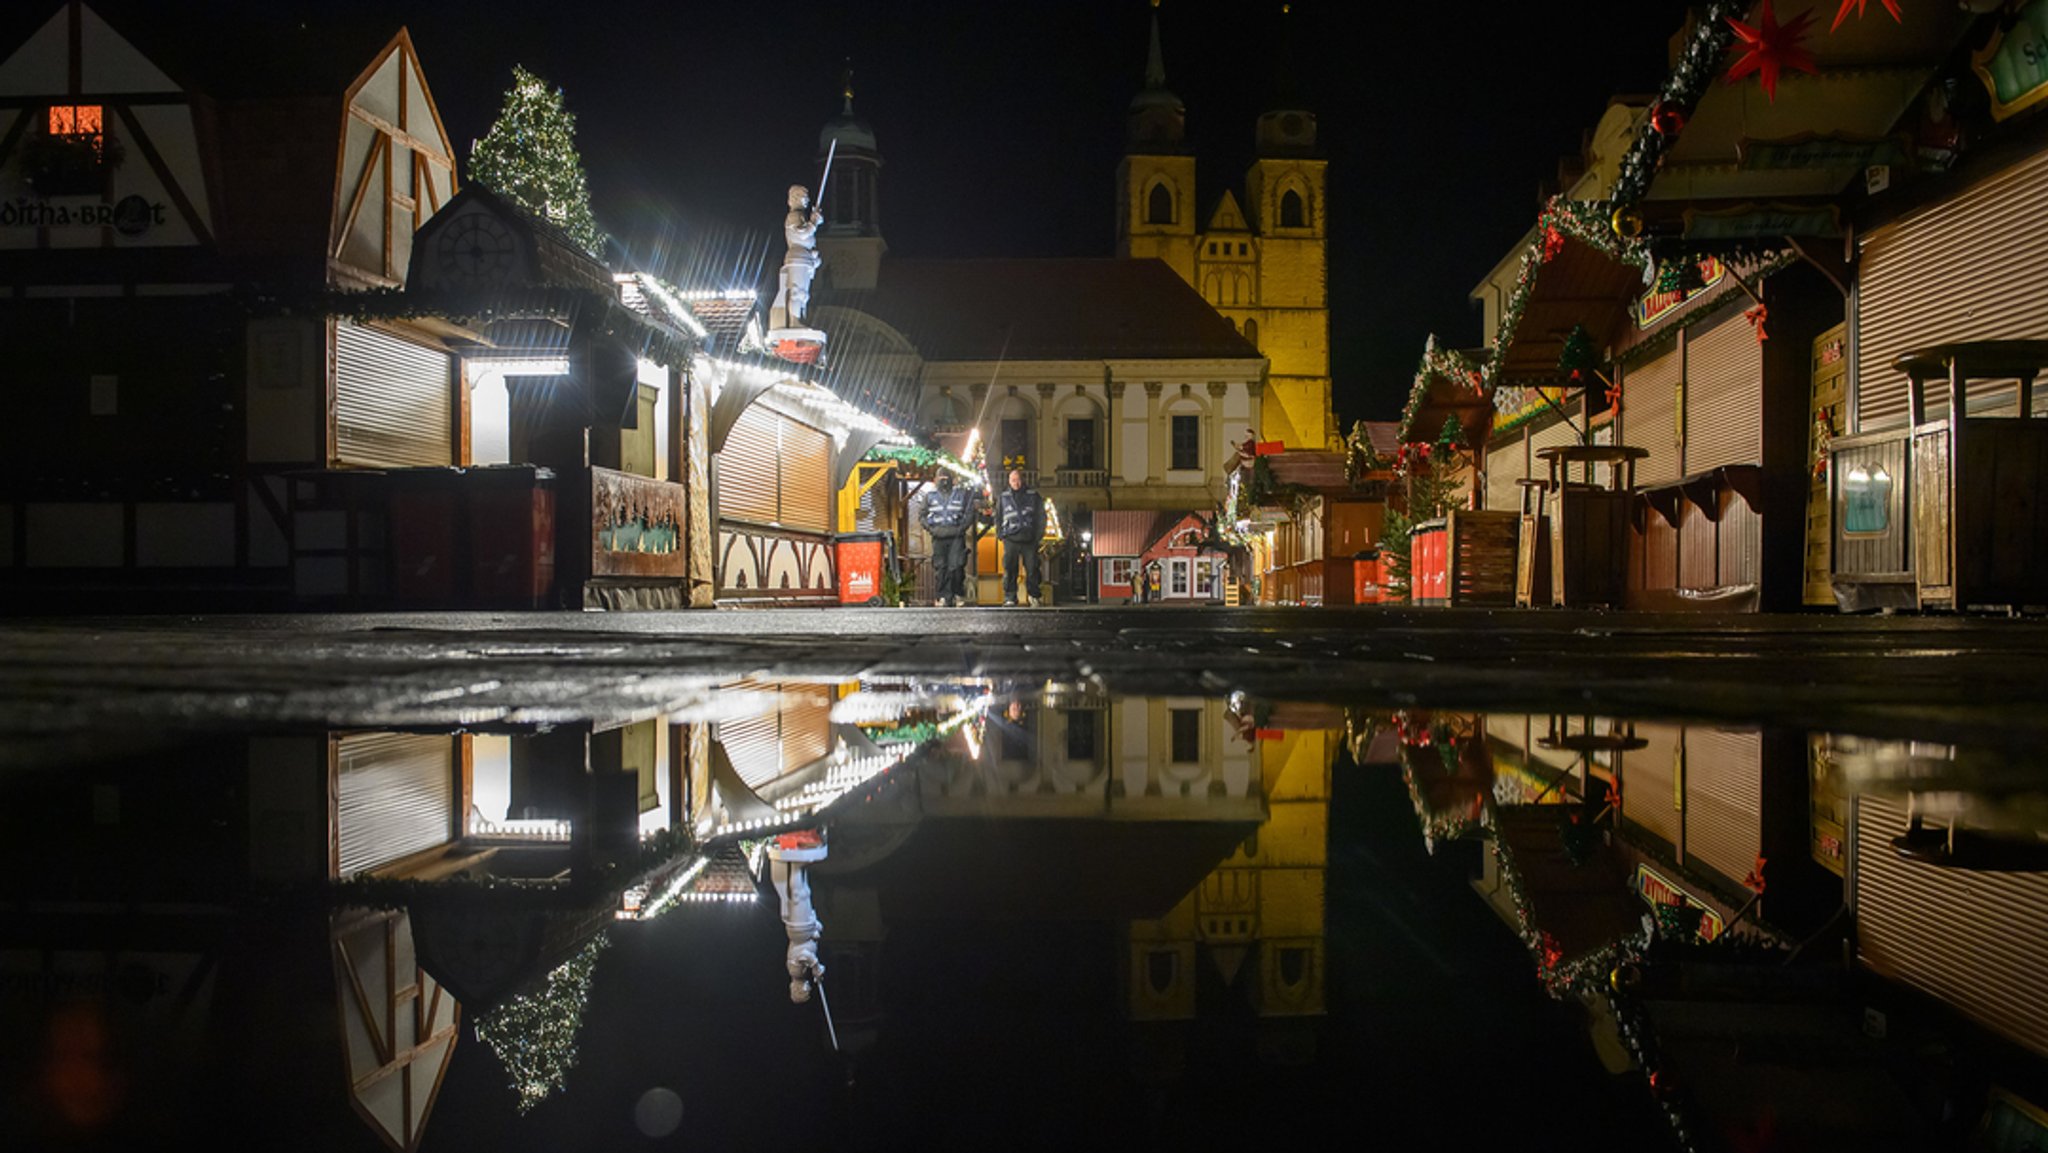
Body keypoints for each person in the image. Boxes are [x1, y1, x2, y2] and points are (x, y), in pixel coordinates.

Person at [920, 472, 977, 607]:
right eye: (941, 478)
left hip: (956, 537)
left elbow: (969, 513)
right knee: (941, 568)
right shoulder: (929, 496)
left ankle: (957, 594)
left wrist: (961, 528)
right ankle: (943, 596)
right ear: (936, 480)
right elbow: (922, 515)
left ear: (952, 480)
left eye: (946, 479)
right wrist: (931, 529)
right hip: (938, 537)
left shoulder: (961, 494)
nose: (944, 481)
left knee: (956, 566)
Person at [994, 469, 1046, 606]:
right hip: (1010, 538)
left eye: (1018, 480)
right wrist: (1000, 534)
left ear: (1022, 480)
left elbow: (1041, 516)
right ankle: (1010, 597)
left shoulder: (1033, 496)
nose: (1016, 483)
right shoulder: (1003, 497)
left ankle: (1033, 595)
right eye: (1013, 480)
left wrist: (1038, 535)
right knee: (1010, 568)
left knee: (1032, 568)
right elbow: (998, 517)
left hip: (1029, 539)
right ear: (1009, 482)